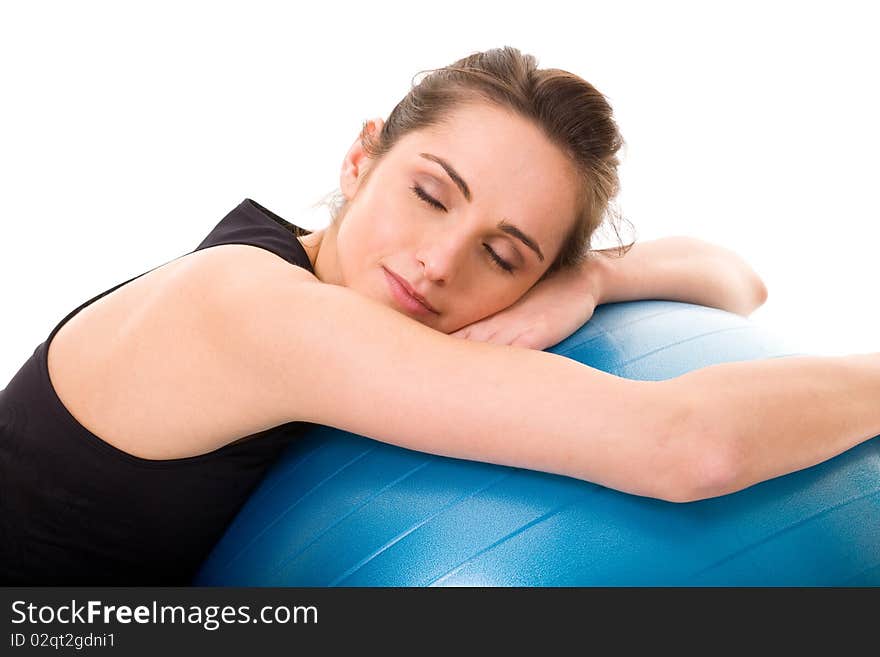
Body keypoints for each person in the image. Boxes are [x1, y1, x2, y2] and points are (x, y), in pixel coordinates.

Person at [1, 46, 878, 585]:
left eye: (505, 254)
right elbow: (691, 446)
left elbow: (737, 279)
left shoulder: (316, 284)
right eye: (430, 194)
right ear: (360, 156)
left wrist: (592, 282)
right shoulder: (249, 309)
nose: (441, 259)